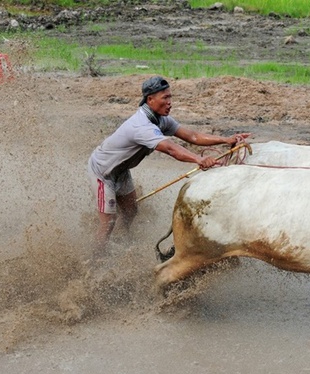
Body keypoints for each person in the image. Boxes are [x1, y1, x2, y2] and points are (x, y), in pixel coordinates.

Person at [87, 75, 251, 257]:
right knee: (108, 222)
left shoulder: (160, 119)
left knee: (131, 210)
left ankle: (121, 240)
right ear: (150, 99)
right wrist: (199, 159)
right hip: (102, 171)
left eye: (170, 97)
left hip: (121, 170)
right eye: (165, 98)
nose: (170, 102)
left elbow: (193, 136)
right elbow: (172, 149)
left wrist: (226, 139)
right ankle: (94, 261)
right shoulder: (141, 126)